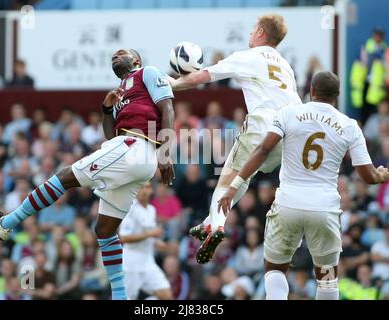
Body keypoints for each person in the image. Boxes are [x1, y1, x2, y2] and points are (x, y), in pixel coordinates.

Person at [0, 48, 175, 300]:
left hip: (135, 148)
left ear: (135, 60)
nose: (114, 56)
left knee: (65, 175)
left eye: (121, 53)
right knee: (104, 230)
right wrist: (106, 109)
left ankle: (6, 223)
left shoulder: (148, 72)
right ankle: (120, 297)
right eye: (112, 54)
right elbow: (110, 135)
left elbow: (168, 109)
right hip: (131, 155)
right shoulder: (120, 93)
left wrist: (166, 154)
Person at [218, 71, 389, 300]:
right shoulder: (349, 126)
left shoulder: (288, 113)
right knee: (327, 278)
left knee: (275, 268)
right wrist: (380, 175)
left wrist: (234, 185)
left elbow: (262, 150)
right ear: (337, 95)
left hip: (289, 203)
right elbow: (367, 176)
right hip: (324, 208)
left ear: (311, 92)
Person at [169, 14, 301, 264]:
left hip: (263, 124)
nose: (250, 33)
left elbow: (201, 77)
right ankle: (209, 222)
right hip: (289, 133)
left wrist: (171, 84)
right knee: (244, 176)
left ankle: (216, 226)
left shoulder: (248, 57)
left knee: (226, 178)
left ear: (261, 32)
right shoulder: (286, 67)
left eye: (253, 29)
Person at [119, 182, 173, 300]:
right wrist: (150, 234)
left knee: (166, 295)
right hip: (131, 263)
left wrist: (156, 242)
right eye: (140, 187)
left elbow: (148, 234)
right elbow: (124, 237)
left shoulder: (151, 210)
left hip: (147, 262)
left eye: (147, 187)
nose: (144, 191)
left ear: (151, 191)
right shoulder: (130, 208)